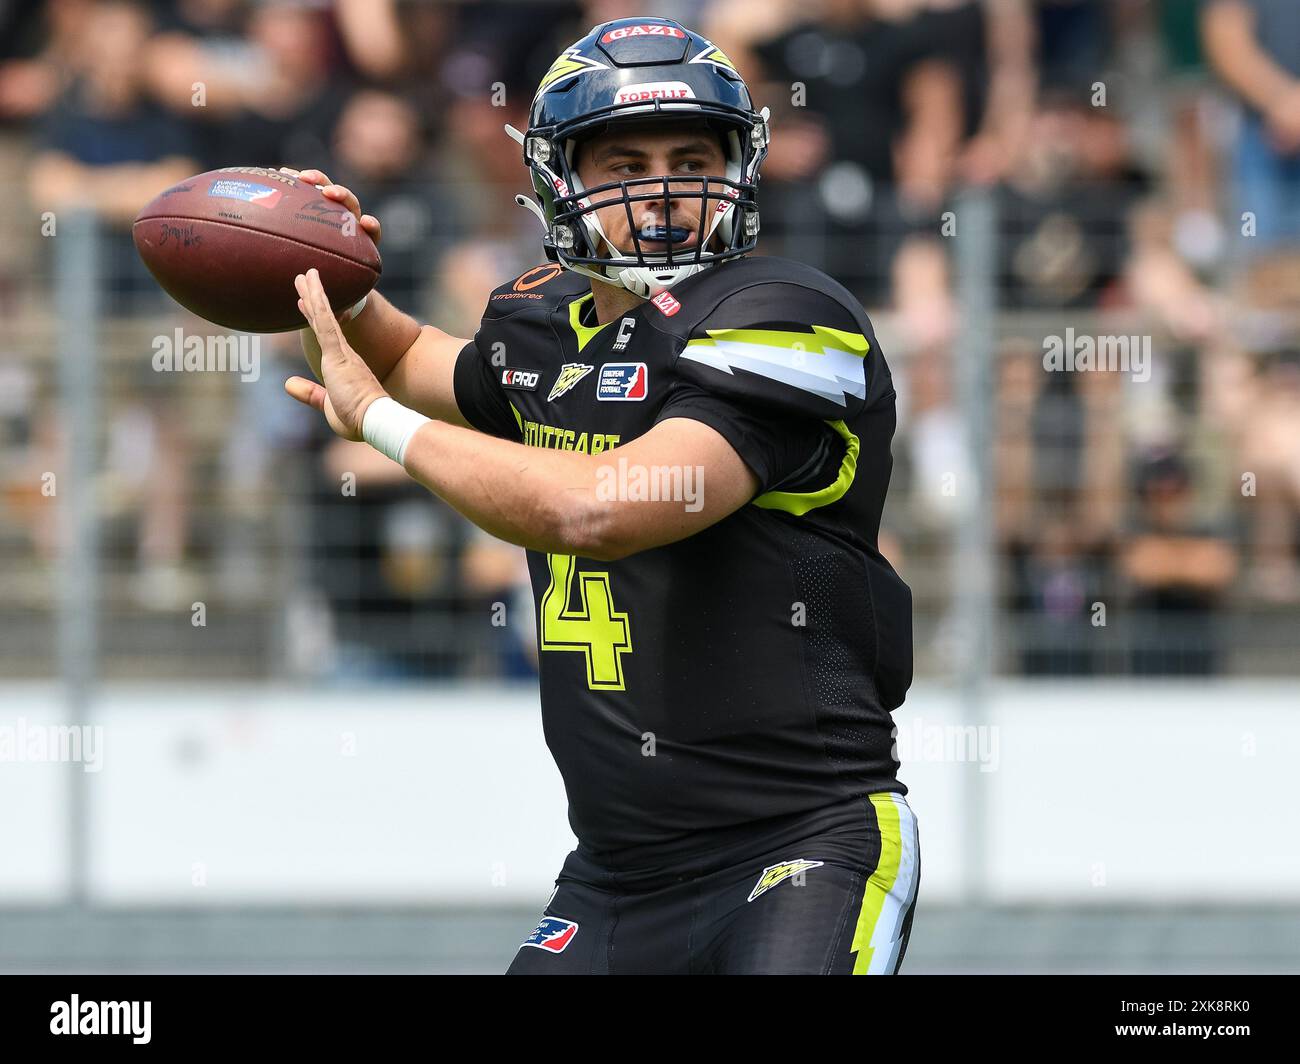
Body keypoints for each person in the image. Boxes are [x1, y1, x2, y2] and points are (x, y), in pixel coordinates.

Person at [284, 17, 918, 975]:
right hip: (617, 875)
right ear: (558, 181)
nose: (660, 190)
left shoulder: (785, 316)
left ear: (739, 166)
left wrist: (381, 423)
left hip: (799, 843)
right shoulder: (543, 319)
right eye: (624, 162)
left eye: (689, 156)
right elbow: (417, 359)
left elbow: (603, 508)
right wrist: (325, 269)